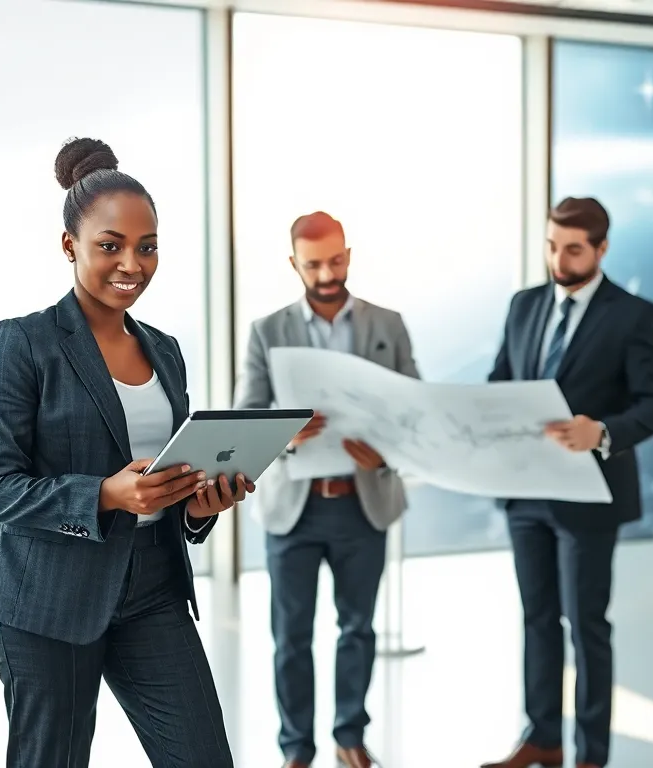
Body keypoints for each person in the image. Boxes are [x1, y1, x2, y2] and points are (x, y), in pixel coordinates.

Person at [0, 137, 248, 768]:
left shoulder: (165, 349)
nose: (132, 264)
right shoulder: (24, 343)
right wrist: (104, 493)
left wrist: (202, 504)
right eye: (110, 245)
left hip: (152, 586)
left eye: (146, 247)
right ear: (70, 246)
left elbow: (169, 480)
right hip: (49, 595)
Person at [480, 197, 653, 768]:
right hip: (525, 495)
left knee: (586, 625)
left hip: (589, 497)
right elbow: (500, 381)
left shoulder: (632, 314)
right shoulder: (524, 305)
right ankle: (542, 738)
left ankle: (591, 755)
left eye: (572, 248)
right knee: (536, 618)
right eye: (551, 245)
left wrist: (603, 432)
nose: (558, 259)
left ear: (601, 248)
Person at [234, 211, 419, 768]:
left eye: (335, 260)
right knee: (291, 637)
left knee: (358, 629)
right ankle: (296, 748)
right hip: (295, 507)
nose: (326, 272)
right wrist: (285, 436)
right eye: (313, 264)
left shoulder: (389, 325)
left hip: (363, 502)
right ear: (295, 264)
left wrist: (386, 450)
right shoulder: (267, 331)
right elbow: (247, 416)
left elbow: (416, 412)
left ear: (349, 255)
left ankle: (349, 737)